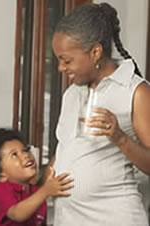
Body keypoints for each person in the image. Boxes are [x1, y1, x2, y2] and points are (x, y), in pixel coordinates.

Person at [51, 2, 150, 226]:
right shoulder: (71, 94)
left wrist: (119, 137)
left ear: (95, 52)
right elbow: (67, 149)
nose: (60, 68)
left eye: (66, 60)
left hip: (115, 218)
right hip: (68, 218)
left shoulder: (136, 92)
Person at [0, 128, 74, 226]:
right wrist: (46, 191)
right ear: (1, 175)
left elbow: (49, 171)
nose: (26, 155)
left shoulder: (35, 191)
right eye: (14, 155)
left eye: (26, 150)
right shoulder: (2, 190)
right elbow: (17, 214)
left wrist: (64, 147)